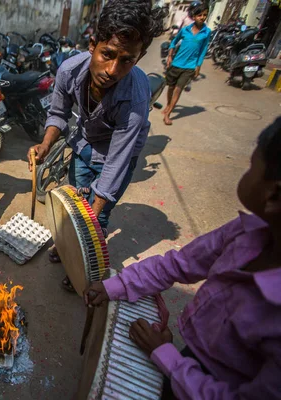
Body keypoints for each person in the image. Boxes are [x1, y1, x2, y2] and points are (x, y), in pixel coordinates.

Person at [85, 117, 281, 399]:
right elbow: (177, 264)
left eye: (252, 167)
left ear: (273, 194)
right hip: (191, 358)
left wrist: (167, 359)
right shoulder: (244, 231)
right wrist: (111, 287)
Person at [27, 0, 165, 292]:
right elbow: (58, 114)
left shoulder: (134, 98)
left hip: (117, 155)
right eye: (108, 54)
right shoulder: (69, 70)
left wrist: (90, 222)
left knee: (95, 216)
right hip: (85, 142)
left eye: (126, 60)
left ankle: (84, 268)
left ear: (137, 59)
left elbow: (117, 161)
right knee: (75, 206)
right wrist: (46, 143)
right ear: (93, 44)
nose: (113, 70)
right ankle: (67, 249)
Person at [163, 1, 210, 126]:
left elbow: (203, 50)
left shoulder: (206, 32)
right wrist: (169, 56)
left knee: (178, 90)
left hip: (189, 66)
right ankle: (168, 105)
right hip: (176, 63)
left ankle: (168, 114)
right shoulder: (185, 30)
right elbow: (174, 42)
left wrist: (198, 66)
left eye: (205, 15)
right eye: (200, 15)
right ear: (194, 17)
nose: (202, 17)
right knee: (171, 87)